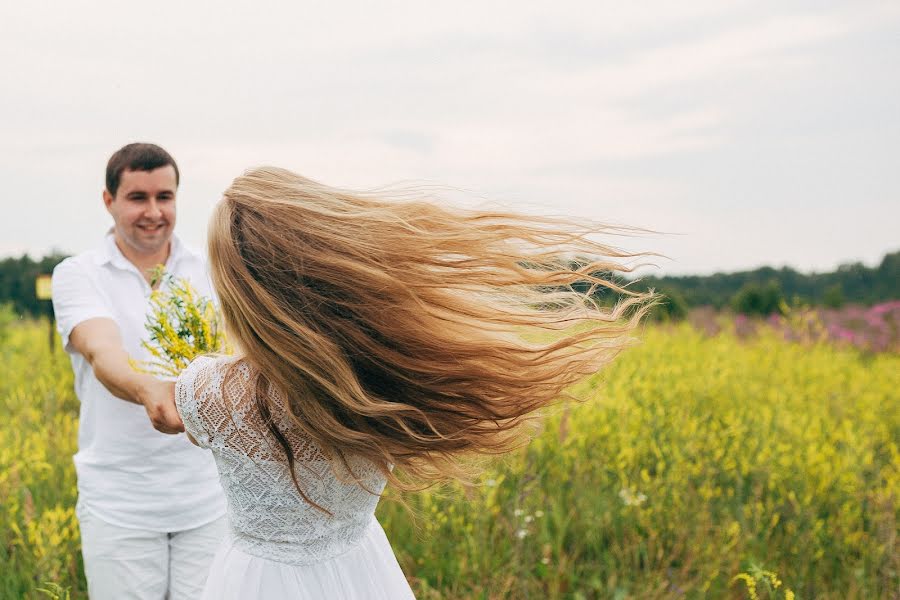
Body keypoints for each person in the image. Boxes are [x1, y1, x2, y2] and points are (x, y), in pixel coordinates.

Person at [174, 167, 655, 599]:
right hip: (362, 570)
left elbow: (179, 418)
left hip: (258, 582)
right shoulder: (379, 367)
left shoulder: (208, 390)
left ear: (238, 286)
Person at [51, 143, 226, 599]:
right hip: (120, 503)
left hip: (208, 498)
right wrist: (150, 391)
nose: (153, 212)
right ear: (108, 201)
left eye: (164, 197)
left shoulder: (211, 271)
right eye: (137, 198)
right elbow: (102, 352)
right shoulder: (79, 274)